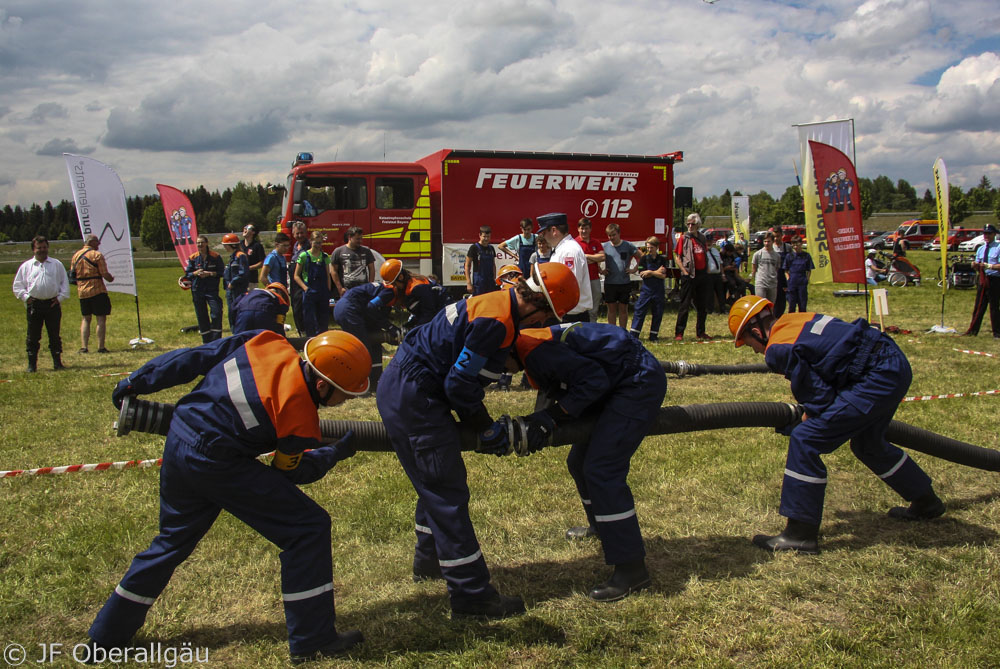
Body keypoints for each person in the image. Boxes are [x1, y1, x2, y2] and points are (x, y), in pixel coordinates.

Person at [89, 330, 371, 663]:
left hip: (180, 438)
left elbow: (193, 357)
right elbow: (289, 474)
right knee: (308, 528)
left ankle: (105, 637)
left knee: (170, 543)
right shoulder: (299, 416)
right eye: (347, 395)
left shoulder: (265, 341)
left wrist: (135, 382)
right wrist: (334, 453)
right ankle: (312, 639)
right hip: (217, 463)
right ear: (323, 386)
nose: (348, 401)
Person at [375, 263, 580, 619]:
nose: (542, 327)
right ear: (539, 305)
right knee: (446, 491)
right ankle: (472, 598)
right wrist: (484, 427)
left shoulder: (498, 305)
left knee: (434, 481)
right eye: (548, 318)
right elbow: (459, 385)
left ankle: (430, 561)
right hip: (415, 396)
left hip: (412, 388)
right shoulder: (496, 322)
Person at [728, 296, 945, 554]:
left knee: (806, 439)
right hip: (892, 362)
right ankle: (926, 502)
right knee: (868, 443)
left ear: (756, 331)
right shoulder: (794, 320)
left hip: (874, 377)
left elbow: (819, 397)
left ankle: (799, 534)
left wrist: (806, 418)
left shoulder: (776, 348)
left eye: (749, 343)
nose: (754, 350)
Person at [512, 321, 666, 600]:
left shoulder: (535, 350)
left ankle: (632, 569)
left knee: (602, 468)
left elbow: (593, 381)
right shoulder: (529, 342)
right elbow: (557, 384)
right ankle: (601, 525)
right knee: (579, 463)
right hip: (617, 377)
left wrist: (552, 418)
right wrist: (542, 420)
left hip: (635, 381)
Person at [12, 235, 69, 372]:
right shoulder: (26, 266)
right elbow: (17, 286)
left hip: (52, 305)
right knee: (33, 336)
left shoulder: (56, 264)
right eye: (39, 248)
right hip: (34, 306)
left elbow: (64, 284)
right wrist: (26, 298)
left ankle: (57, 363)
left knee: (54, 335)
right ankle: (32, 365)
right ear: (33, 249)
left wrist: (60, 298)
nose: (42, 250)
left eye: (44, 247)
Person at [332, 281, 397, 393]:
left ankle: (375, 381)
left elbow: (374, 314)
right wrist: (390, 327)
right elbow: (371, 307)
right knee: (362, 350)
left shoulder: (382, 288)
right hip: (350, 310)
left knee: (374, 345)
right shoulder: (390, 292)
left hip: (350, 309)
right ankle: (359, 386)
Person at [538, 213, 593, 323]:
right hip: (564, 313)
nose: (543, 237)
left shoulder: (569, 251)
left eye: (544, 233)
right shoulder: (562, 249)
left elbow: (570, 286)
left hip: (571, 316)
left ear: (554, 230)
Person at [70, 234, 115, 353]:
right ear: (92, 242)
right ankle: (101, 347)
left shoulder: (76, 256)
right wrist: (111, 279)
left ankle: (84, 346)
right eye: (97, 242)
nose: (99, 244)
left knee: (86, 318)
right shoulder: (97, 255)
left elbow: (72, 274)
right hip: (97, 290)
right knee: (100, 318)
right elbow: (104, 273)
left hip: (82, 291)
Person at [673, 213, 712, 341]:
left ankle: (701, 332)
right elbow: (677, 257)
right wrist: (684, 271)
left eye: (692, 224)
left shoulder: (702, 237)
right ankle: (679, 333)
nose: (690, 226)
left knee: (702, 305)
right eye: (688, 224)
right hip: (689, 274)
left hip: (702, 274)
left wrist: (707, 269)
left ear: (698, 225)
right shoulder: (684, 238)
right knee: (684, 305)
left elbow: (705, 252)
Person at [380, 259, 448, 330]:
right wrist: (408, 326)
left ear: (400, 277)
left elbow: (428, 314)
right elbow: (420, 313)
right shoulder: (411, 283)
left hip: (443, 314)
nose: (394, 287)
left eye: (394, 284)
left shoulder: (417, 287)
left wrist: (415, 330)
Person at [183, 235, 225, 343]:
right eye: (198, 243)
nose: (200, 245)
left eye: (202, 242)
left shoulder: (215, 256)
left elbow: (222, 272)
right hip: (197, 290)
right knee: (202, 316)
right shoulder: (193, 258)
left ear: (207, 243)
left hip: (212, 290)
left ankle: (216, 340)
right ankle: (206, 341)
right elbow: (187, 274)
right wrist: (195, 273)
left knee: (216, 313)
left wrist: (210, 273)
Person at [599, 223, 640, 329]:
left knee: (623, 309)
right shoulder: (604, 246)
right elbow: (596, 258)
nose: (612, 238)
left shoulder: (628, 245)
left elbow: (641, 256)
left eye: (614, 235)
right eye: (609, 235)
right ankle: (613, 332)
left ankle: (622, 331)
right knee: (611, 309)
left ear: (619, 233)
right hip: (610, 283)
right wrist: (601, 270)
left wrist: (634, 269)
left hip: (624, 283)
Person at [294, 231, 333, 338]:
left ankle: (323, 338)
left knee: (323, 318)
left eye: (320, 243)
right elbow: (296, 276)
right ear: (311, 241)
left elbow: (327, 275)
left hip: (322, 291)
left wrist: (328, 290)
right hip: (310, 291)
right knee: (309, 318)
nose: (318, 245)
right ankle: (310, 339)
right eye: (316, 243)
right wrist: (305, 288)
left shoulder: (325, 257)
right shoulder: (304, 256)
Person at [965, 224, 1000, 338]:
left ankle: (997, 332)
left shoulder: (998, 247)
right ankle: (973, 330)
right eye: (985, 233)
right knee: (979, 306)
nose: (987, 236)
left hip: (994, 280)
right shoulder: (980, 249)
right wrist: (975, 265)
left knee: (994, 307)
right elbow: (977, 264)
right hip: (982, 280)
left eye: (989, 233)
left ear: (994, 234)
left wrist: (989, 266)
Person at [629, 236, 668, 341]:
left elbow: (663, 275)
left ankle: (654, 335)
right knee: (639, 311)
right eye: (648, 247)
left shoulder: (662, 259)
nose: (649, 250)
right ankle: (634, 335)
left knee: (658, 312)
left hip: (658, 290)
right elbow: (642, 274)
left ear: (657, 247)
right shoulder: (643, 259)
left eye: (651, 247)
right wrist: (655, 272)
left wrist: (650, 272)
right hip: (646, 290)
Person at [575, 218, 606, 322]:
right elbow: (577, 260)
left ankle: (592, 325)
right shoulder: (574, 243)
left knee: (594, 304)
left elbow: (602, 257)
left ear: (590, 229)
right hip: (580, 279)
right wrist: (594, 257)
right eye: (582, 228)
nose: (584, 231)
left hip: (594, 278)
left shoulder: (595, 242)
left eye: (586, 228)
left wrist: (586, 256)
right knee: (580, 304)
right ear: (578, 229)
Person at [331, 226, 376, 298]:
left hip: (363, 290)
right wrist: (340, 288)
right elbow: (333, 270)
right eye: (357, 239)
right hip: (346, 291)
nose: (360, 241)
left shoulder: (366, 251)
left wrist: (370, 286)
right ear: (349, 237)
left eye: (361, 238)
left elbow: (372, 269)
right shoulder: (338, 251)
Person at [222, 233, 250, 331]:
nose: (224, 247)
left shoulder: (240, 256)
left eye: (225, 245)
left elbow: (243, 273)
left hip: (237, 289)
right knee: (231, 312)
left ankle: (238, 332)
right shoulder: (233, 257)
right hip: (231, 290)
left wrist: (233, 283)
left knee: (236, 311)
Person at [782, 236, 815, 313]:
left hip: (802, 282)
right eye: (793, 245)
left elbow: (809, 270)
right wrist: (788, 279)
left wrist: (807, 279)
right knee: (792, 305)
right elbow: (785, 269)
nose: (795, 247)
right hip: (792, 282)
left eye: (797, 244)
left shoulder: (806, 256)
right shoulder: (789, 256)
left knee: (802, 305)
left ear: (801, 244)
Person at [289, 222, 310, 336]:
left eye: (302, 233)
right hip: (294, 282)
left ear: (306, 233)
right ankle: (300, 331)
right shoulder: (295, 246)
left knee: (303, 307)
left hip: (304, 280)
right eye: (297, 233)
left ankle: (306, 332)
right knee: (295, 307)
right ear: (293, 234)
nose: (300, 235)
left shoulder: (309, 246)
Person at [465, 226, 498, 295]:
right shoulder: (474, 248)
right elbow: (467, 266)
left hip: (490, 282)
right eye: (484, 236)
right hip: (479, 282)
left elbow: (493, 265)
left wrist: (494, 279)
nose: (486, 239)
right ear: (479, 235)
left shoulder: (491, 248)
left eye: (488, 236)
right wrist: (468, 283)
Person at [751, 232, 781, 304]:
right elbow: (754, 268)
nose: (766, 243)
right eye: (765, 241)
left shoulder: (777, 256)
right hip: (761, 283)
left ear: (773, 242)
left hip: (772, 283)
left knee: (770, 305)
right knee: (760, 304)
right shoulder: (757, 254)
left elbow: (777, 268)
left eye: (768, 241)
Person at [771, 226, 792, 318]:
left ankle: (780, 316)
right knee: (773, 297)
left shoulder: (787, 247)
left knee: (782, 298)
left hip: (784, 275)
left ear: (782, 236)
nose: (776, 239)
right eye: (774, 236)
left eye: (778, 236)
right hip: (773, 275)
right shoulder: (771, 247)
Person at [240, 224, 266, 291]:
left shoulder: (257, 246)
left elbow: (262, 263)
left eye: (247, 228)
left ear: (253, 232)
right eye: (244, 227)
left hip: (251, 280)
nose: (244, 229)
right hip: (239, 278)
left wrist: (248, 268)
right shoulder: (239, 245)